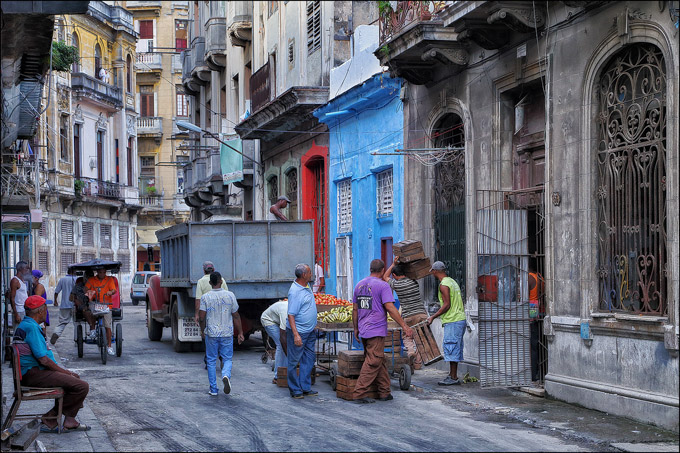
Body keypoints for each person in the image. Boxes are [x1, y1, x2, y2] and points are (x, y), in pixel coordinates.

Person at [13, 295, 90, 433]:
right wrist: (65, 372)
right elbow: (44, 360)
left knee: (74, 380)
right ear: (40, 311)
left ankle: (68, 419)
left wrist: (64, 373)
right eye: (45, 310)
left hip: (34, 372)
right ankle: (50, 419)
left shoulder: (28, 325)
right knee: (81, 386)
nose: (46, 313)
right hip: (33, 373)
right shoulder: (31, 327)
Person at [353, 259, 414, 403]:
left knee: (379, 360)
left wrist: (355, 328)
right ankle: (359, 393)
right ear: (382, 271)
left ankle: (384, 392)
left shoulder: (359, 285)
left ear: (370, 269)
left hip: (364, 328)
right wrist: (405, 326)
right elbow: (391, 308)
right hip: (375, 329)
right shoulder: (383, 286)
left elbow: (355, 309)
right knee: (373, 361)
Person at [199, 272, 244, 396]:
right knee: (227, 358)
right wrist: (240, 332)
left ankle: (213, 389)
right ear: (221, 281)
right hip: (227, 332)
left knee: (211, 360)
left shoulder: (205, 297)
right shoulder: (230, 295)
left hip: (211, 333)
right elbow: (236, 315)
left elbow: (202, 317)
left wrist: (203, 331)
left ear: (210, 283)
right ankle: (225, 374)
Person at [383, 257, 427, 369]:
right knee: (420, 338)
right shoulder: (413, 282)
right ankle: (417, 363)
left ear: (395, 275)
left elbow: (384, 277)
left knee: (407, 336)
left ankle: (411, 352)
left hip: (408, 315)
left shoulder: (396, 285)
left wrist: (393, 263)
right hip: (421, 313)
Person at [427, 261, 466, 386]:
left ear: (436, 271)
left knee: (451, 347)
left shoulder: (443, 285)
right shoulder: (452, 282)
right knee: (455, 348)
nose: (432, 273)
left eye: (432, 271)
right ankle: (452, 375)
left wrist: (433, 316)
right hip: (459, 319)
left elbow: (447, 304)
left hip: (453, 319)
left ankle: (453, 377)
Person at [285, 264, 317, 399]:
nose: (311, 274)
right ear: (304, 275)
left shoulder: (305, 286)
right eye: (309, 272)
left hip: (309, 331)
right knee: (294, 360)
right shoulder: (296, 292)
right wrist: (296, 334)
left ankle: (305, 386)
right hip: (299, 331)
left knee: (309, 359)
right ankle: (295, 389)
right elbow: (291, 315)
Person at [194, 261, 228, 369]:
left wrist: (197, 315)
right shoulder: (222, 280)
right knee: (222, 336)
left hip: (208, 314)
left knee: (207, 337)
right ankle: (223, 358)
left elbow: (198, 301)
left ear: (204, 270)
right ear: (213, 270)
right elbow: (226, 296)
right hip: (221, 313)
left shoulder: (201, 282)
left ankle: (209, 361)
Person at [85, 267, 117, 356]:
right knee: (90, 313)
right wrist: (89, 292)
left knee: (107, 325)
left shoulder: (109, 279)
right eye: (100, 272)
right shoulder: (92, 280)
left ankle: (109, 346)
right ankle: (92, 329)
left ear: (105, 272)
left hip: (107, 305)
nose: (102, 274)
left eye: (103, 272)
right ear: (97, 272)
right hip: (95, 304)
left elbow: (113, 290)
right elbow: (86, 288)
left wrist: (111, 292)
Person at [260, 300, 288, 384]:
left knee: (286, 345)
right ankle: (277, 376)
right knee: (281, 344)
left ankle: (284, 369)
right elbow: (283, 336)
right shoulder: (285, 313)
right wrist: (289, 355)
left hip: (276, 319)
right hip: (268, 320)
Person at [528, 261, 545, 382]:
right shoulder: (540, 276)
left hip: (531, 309)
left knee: (531, 344)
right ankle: (537, 371)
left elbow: (523, 296)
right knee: (535, 341)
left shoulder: (529, 277)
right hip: (538, 308)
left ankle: (533, 373)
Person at [71, 271, 97, 340]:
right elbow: (71, 297)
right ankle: (92, 328)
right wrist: (76, 300)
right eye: (87, 278)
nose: (88, 279)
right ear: (84, 278)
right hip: (82, 304)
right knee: (86, 310)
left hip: (94, 303)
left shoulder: (95, 284)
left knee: (94, 310)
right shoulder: (78, 286)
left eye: (90, 278)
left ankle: (95, 329)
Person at [9, 260, 30, 325]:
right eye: (26, 268)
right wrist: (16, 314)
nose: (27, 271)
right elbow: (12, 298)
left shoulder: (22, 280)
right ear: (21, 269)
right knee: (18, 331)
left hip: (23, 309)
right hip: (18, 310)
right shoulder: (15, 281)